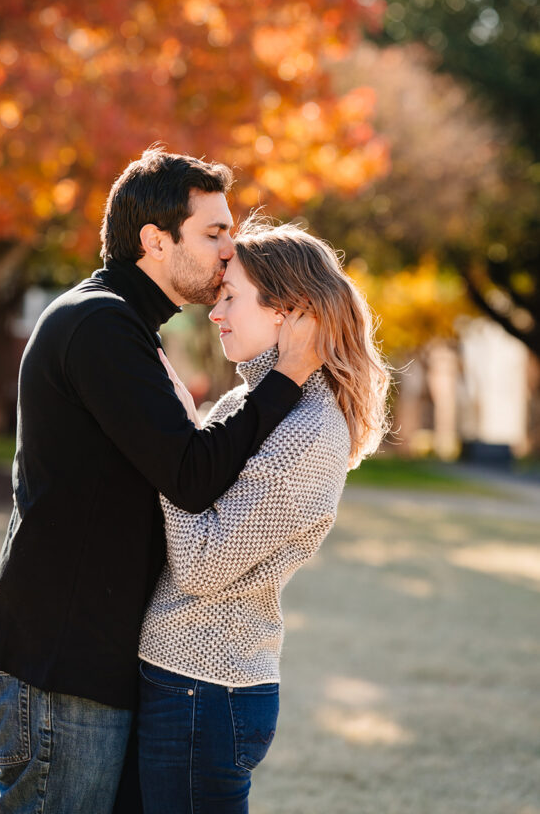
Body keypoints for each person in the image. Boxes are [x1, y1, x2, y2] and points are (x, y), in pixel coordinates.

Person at [0, 149, 320, 814]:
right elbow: (190, 474)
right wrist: (286, 379)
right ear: (155, 241)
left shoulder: (122, 325)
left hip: (82, 663)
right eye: (213, 233)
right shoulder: (98, 325)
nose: (230, 249)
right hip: (58, 669)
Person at [137, 218, 390, 813]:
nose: (214, 314)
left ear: (290, 312)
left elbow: (201, 564)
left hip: (204, 688)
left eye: (230, 297)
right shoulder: (251, 401)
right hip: (179, 681)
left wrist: (173, 445)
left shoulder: (308, 432)